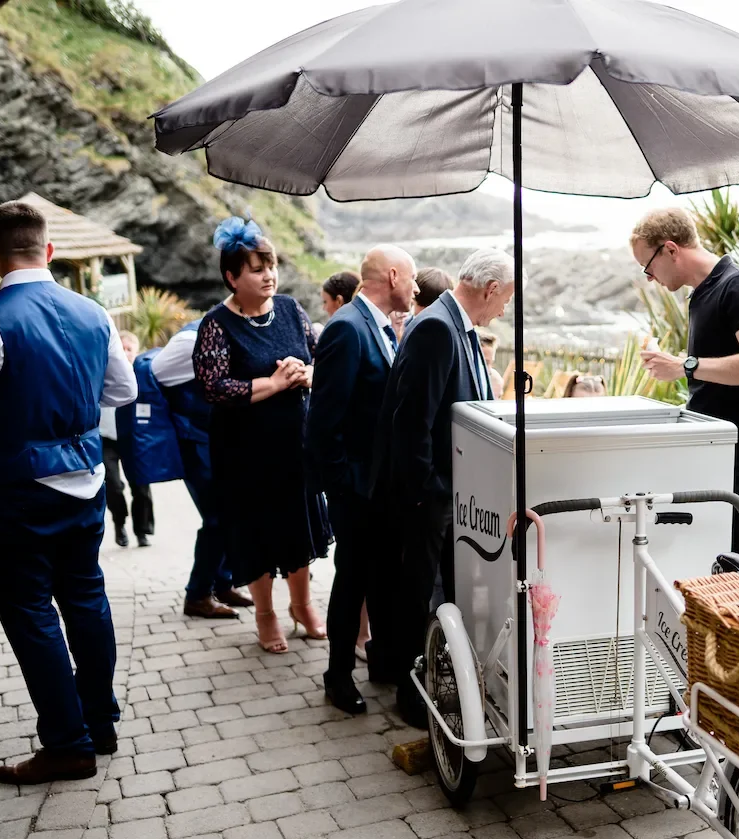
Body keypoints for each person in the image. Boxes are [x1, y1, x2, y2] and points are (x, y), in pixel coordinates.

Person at [0, 199, 137, 784]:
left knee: (28, 608)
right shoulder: (94, 312)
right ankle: (100, 722)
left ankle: (67, 743)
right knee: (86, 599)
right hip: (86, 479)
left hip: (19, 488)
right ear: (50, 251)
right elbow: (120, 392)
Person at [373, 247, 514, 726]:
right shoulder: (436, 327)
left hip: (451, 494)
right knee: (417, 597)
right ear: (491, 289)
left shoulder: (459, 326)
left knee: (437, 595)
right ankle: (413, 697)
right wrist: (428, 492)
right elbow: (411, 422)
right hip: (427, 497)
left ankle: (440, 681)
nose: (504, 309)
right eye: (506, 298)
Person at [192, 217, 330, 654]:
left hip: (293, 443)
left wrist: (305, 376)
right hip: (244, 450)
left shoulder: (290, 309)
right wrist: (273, 383)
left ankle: (303, 605)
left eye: (270, 265)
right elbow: (213, 387)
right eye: (256, 268)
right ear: (232, 277)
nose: (268, 274)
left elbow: (315, 359)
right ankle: (266, 614)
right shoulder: (215, 324)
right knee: (256, 530)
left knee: (297, 525)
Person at [630, 208, 739, 563]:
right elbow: (720, 368)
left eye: (647, 265)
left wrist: (685, 365)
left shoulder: (738, 284)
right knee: (719, 568)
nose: (649, 278)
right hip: (719, 454)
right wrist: (679, 365)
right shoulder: (702, 293)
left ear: (671, 249)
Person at [307, 244, 417, 714]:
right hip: (356, 489)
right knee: (351, 581)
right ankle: (336, 676)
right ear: (392, 276)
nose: (415, 288)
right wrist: (345, 486)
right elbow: (323, 421)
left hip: (378, 486)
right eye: (411, 279)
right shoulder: (347, 329)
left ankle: (382, 663)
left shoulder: (377, 326)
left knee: (380, 579)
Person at [151, 321, 251, 619]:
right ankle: (197, 594)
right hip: (195, 443)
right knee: (217, 517)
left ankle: (223, 583)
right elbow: (154, 375)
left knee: (229, 514)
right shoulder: (189, 342)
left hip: (215, 441)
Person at [101, 330, 155, 548]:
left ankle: (142, 531)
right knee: (112, 485)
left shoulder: (144, 375)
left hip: (135, 437)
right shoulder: (102, 372)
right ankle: (119, 522)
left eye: (129, 349)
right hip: (106, 437)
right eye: (120, 348)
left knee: (141, 485)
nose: (124, 353)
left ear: (137, 352)